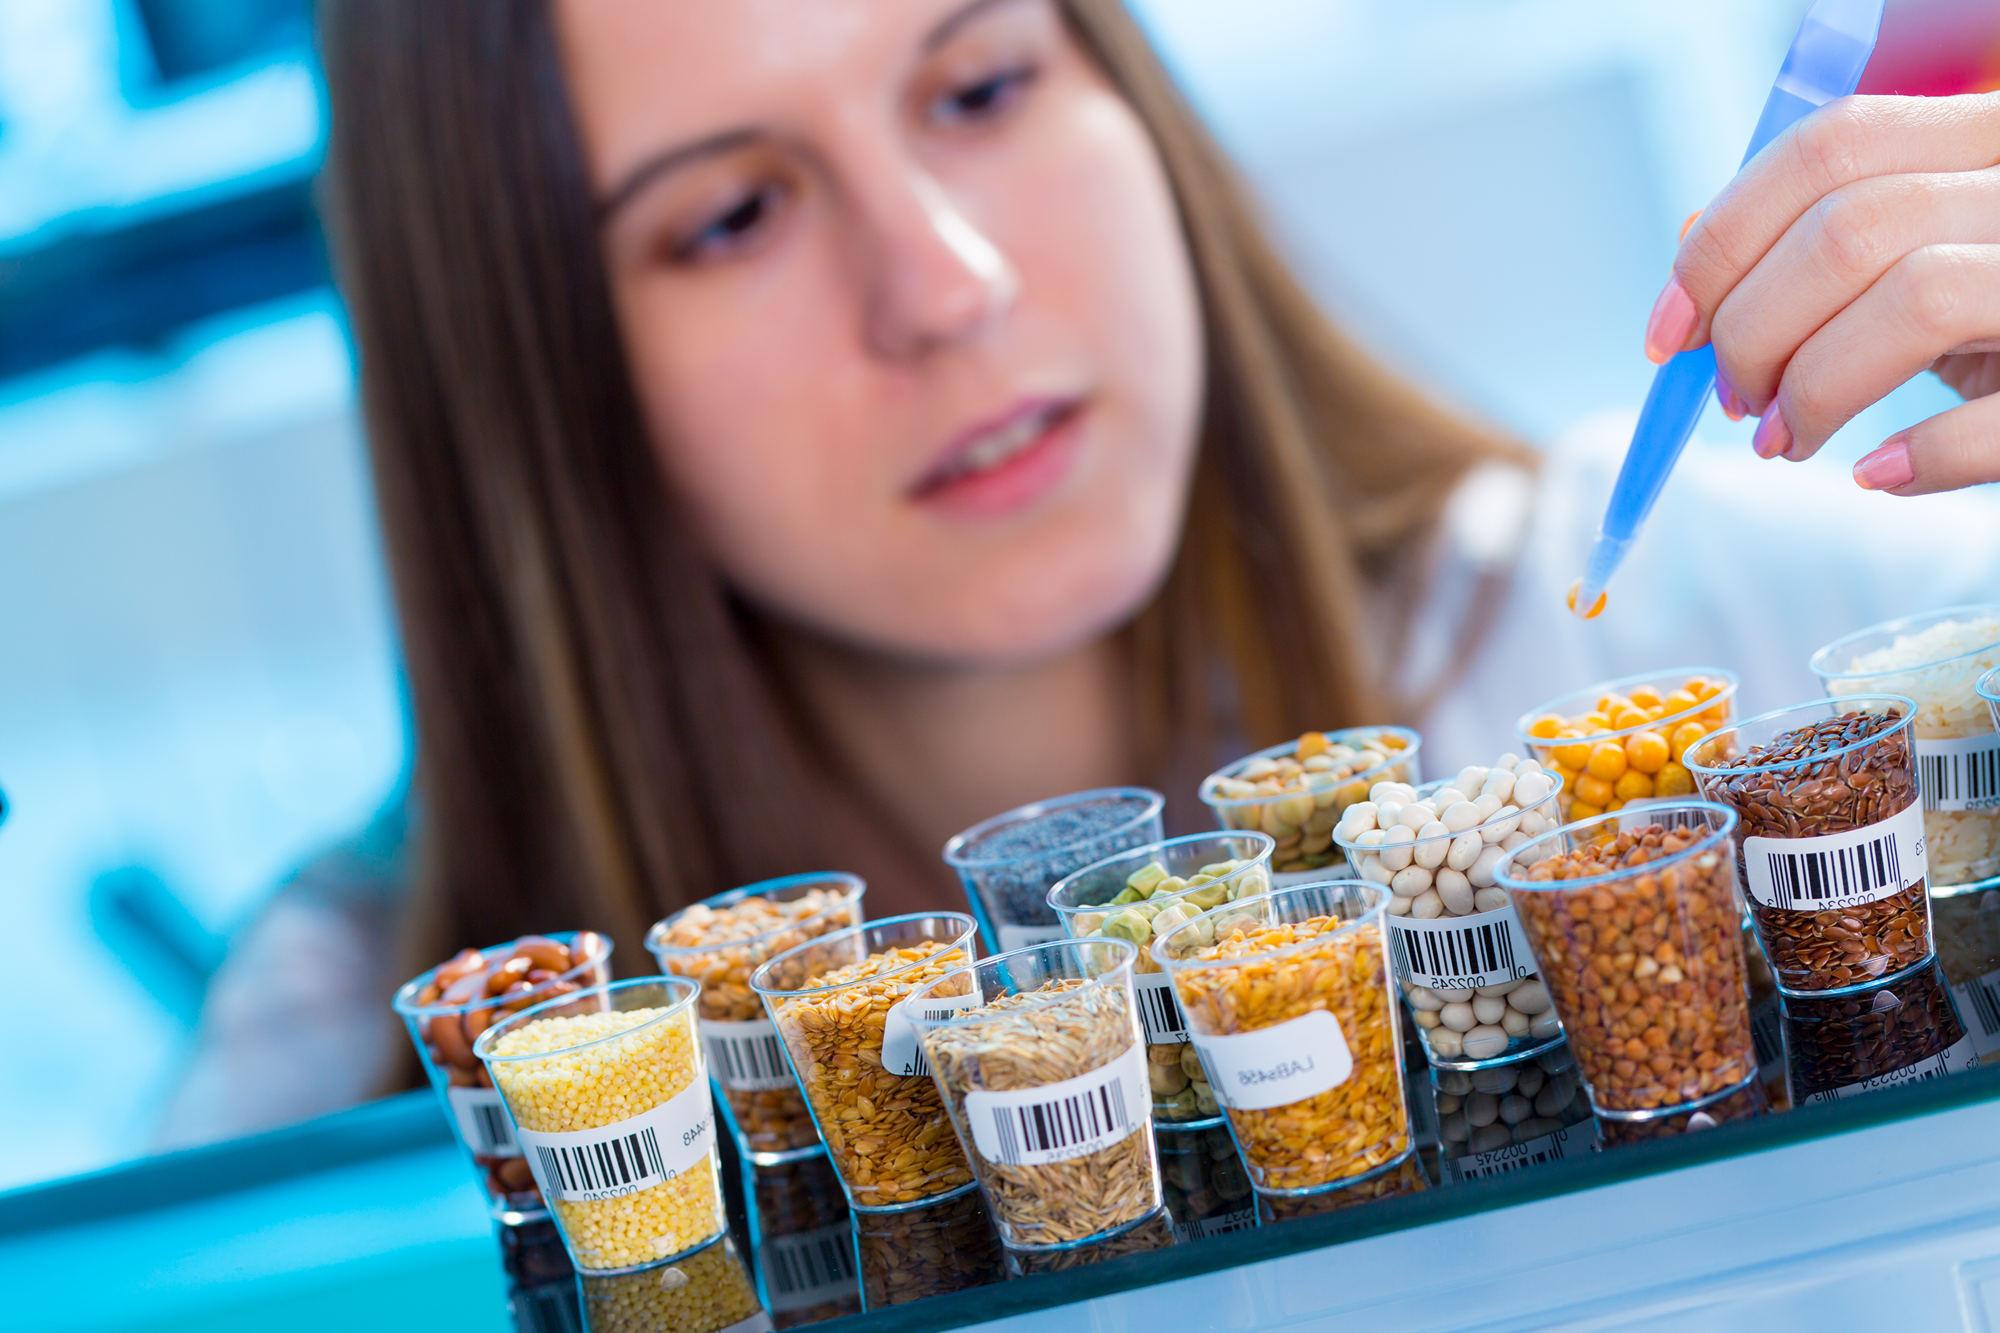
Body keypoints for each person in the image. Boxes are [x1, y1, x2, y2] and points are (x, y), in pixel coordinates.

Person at [159, 0, 2000, 1144]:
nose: (944, 280)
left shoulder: (1765, 623)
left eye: (976, 83)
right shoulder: (356, 1068)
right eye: (728, 216)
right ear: (525, 373)